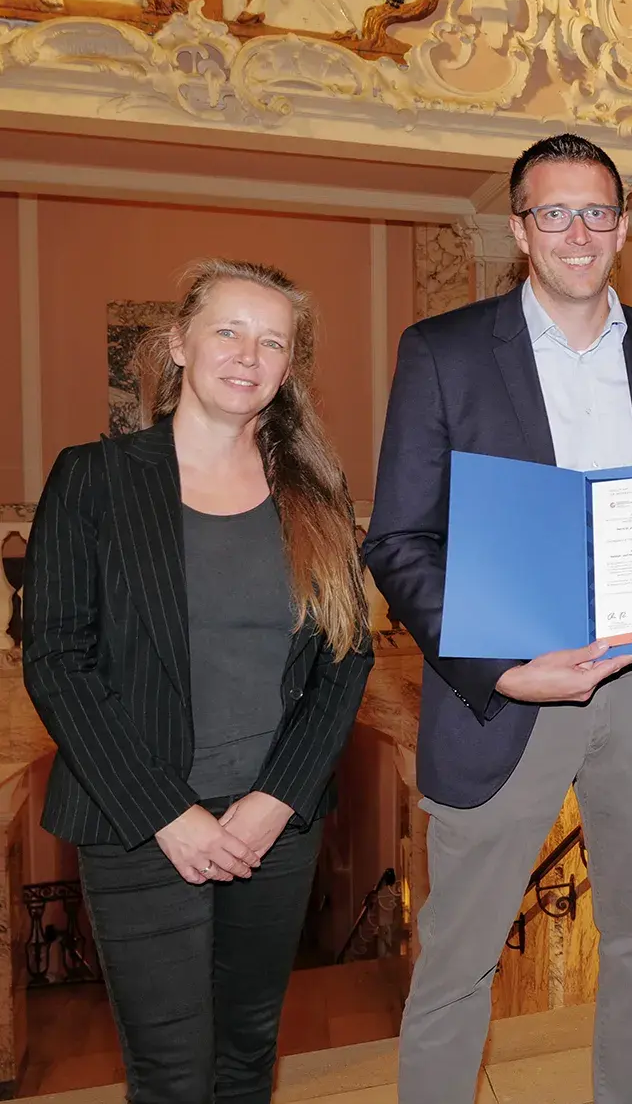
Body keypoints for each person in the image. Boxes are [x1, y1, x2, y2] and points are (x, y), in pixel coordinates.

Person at [365, 134, 632, 1104]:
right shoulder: (441, 352)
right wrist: (502, 667)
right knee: (458, 956)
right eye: (553, 211)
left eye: (595, 211)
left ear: (622, 225)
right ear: (520, 227)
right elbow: (396, 538)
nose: (576, 230)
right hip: (507, 694)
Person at [23, 259, 374, 1103]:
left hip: (273, 827)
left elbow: (346, 657)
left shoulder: (315, 493)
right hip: (140, 822)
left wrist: (275, 801)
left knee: (249, 1055)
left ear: (290, 367)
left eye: (273, 340)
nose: (248, 354)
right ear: (178, 342)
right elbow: (55, 658)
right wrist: (167, 815)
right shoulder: (94, 479)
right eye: (228, 330)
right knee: (173, 1076)